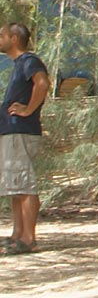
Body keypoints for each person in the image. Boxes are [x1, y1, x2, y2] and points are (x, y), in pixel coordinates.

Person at [1, 22, 49, 256]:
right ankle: (17, 234)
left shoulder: (30, 61)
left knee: (25, 184)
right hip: (11, 132)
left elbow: (42, 83)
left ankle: (29, 238)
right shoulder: (19, 65)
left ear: (14, 38)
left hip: (22, 130)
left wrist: (28, 110)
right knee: (15, 185)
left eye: (1, 35)